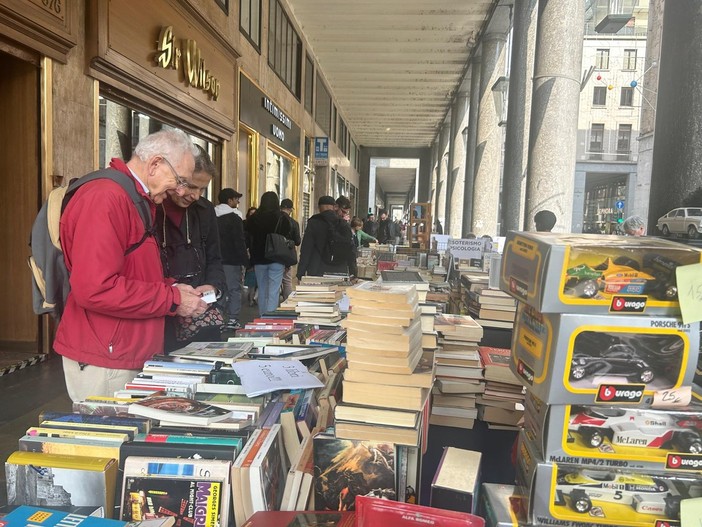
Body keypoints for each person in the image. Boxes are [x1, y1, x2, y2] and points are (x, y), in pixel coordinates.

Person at [54, 129, 207, 402]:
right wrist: (171, 299)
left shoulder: (132, 197)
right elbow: (95, 288)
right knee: (107, 442)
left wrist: (173, 289)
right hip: (106, 355)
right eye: (180, 180)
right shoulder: (106, 198)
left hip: (120, 350)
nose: (181, 191)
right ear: (155, 164)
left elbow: (131, 271)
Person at [156, 147, 227, 353]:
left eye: (203, 189)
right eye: (192, 186)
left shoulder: (205, 211)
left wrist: (213, 287)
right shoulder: (151, 207)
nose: (195, 196)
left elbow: (215, 259)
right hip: (161, 314)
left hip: (199, 318)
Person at [245, 191, 293, 316]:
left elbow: (248, 234)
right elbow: (288, 235)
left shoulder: (254, 218)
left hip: (259, 258)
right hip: (277, 258)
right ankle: (270, 318)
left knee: (262, 289)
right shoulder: (282, 218)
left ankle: (262, 316)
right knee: (274, 290)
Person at [297, 195, 357, 279]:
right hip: (340, 270)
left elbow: (306, 249)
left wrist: (300, 273)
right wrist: (353, 273)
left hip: (317, 269)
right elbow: (351, 251)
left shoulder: (314, 223)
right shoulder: (344, 225)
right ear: (334, 207)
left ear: (319, 208)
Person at [215, 188, 249, 330]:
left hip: (215, 260)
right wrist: (245, 260)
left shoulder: (212, 215)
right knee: (234, 289)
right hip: (231, 260)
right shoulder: (235, 217)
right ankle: (232, 319)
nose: (238, 201)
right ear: (229, 200)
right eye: (236, 199)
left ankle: (218, 318)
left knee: (218, 289)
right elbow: (239, 241)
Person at [280, 198, 301, 299]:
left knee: (273, 282)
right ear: (290, 209)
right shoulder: (293, 222)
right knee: (287, 281)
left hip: (271, 254)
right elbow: (297, 241)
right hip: (287, 255)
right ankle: (286, 303)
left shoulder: (274, 219)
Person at [244, 206, 258, 307]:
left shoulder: (260, 226)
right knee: (251, 278)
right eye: (251, 214)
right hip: (249, 255)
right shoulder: (245, 225)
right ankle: (251, 297)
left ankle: (255, 297)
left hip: (258, 255)